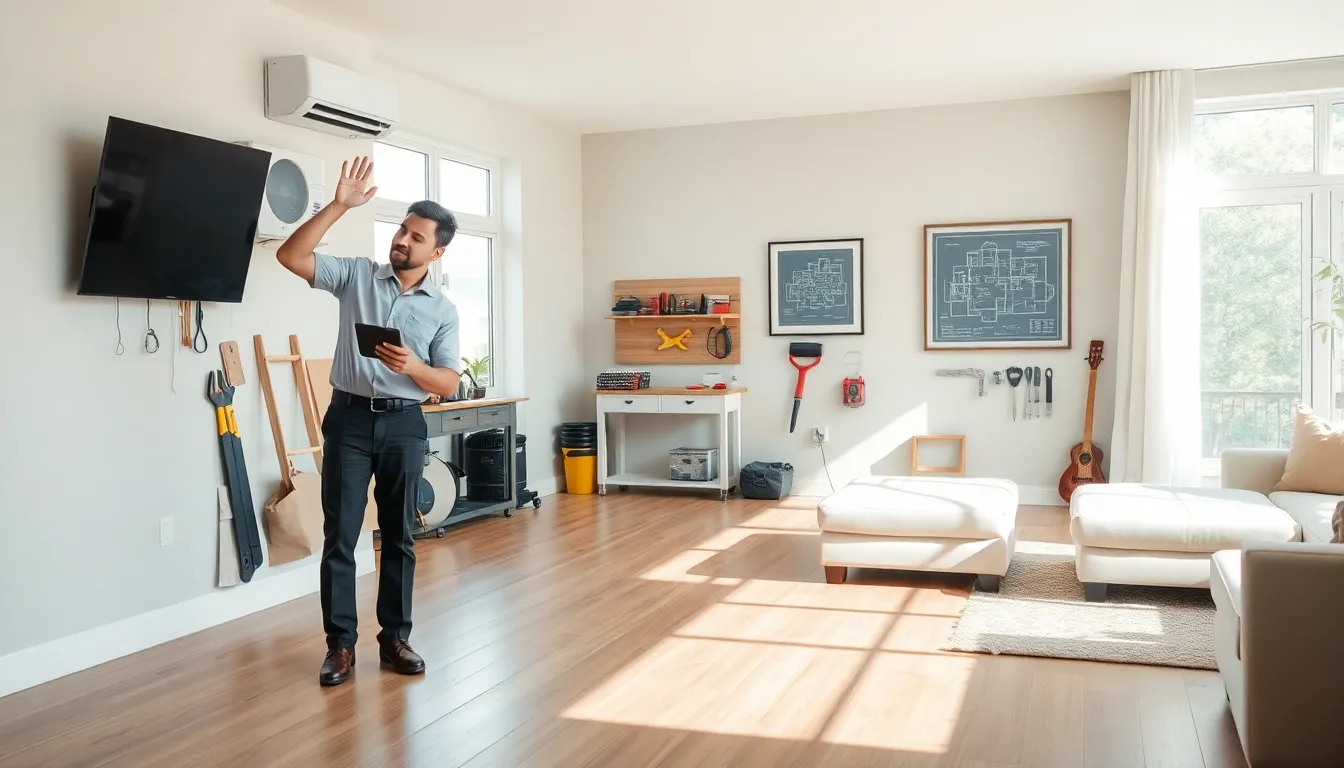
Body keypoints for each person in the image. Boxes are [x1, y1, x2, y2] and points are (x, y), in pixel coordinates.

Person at [277, 155, 462, 687]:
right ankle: (339, 646)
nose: (403, 240)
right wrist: (338, 205)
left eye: (416, 237)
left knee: (399, 535)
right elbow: (292, 255)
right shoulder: (356, 274)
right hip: (350, 421)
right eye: (402, 229)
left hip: (405, 424)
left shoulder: (442, 310)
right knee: (341, 535)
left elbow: (449, 382)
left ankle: (395, 638)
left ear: (438, 251)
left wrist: (415, 367)